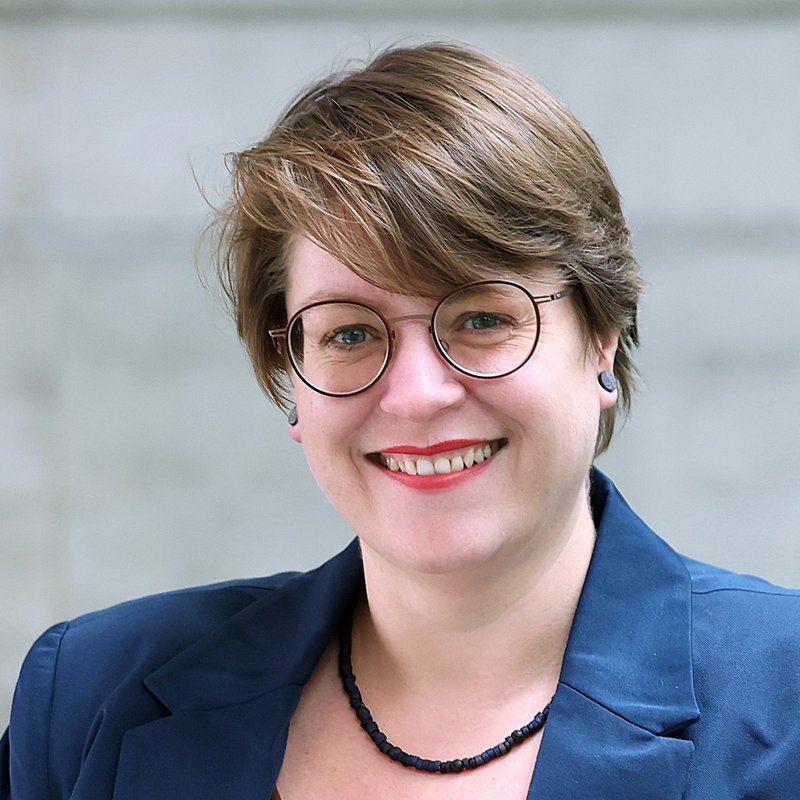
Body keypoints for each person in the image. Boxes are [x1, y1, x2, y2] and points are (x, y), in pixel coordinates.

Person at [2, 40, 799, 800]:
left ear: (602, 335)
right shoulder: (88, 700)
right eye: (349, 334)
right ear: (291, 375)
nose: (417, 395)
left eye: (483, 318)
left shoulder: (784, 699)